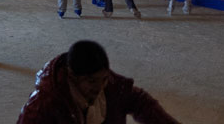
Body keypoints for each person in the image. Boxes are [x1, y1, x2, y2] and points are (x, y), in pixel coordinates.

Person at [16, 40, 179, 123]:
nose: (100, 87)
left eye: (104, 79)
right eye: (92, 81)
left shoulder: (114, 88)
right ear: (73, 76)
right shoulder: (44, 104)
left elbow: (142, 103)